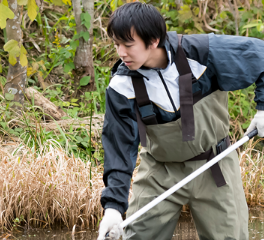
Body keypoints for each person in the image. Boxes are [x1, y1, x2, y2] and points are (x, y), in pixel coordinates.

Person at [97, 2, 264, 240]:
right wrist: (113, 207)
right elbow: (118, 149)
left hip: (215, 164)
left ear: (153, 40)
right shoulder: (121, 86)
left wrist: (263, 109)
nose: (121, 53)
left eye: (128, 44)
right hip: (158, 170)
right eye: (116, 44)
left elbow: (262, 57)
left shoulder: (203, 52)